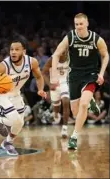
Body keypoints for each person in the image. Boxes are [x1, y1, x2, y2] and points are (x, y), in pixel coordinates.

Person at [51, 13, 109, 150]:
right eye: (76, 24)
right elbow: (56, 54)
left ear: (87, 23)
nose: (78, 27)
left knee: (83, 104)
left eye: (81, 24)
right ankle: (91, 102)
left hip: (90, 75)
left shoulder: (96, 39)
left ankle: (74, 137)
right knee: (76, 113)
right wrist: (54, 75)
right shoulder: (70, 37)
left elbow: (106, 55)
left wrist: (101, 74)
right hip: (74, 76)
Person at [0, 39, 46, 156]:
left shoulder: (32, 62)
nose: (13, 52)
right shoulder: (2, 66)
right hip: (0, 94)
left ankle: (8, 142)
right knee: (15, 120)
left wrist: (40, 89)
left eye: (17, 49)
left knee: (20, 123)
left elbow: (39, 77)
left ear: (24, 51)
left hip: (15, 93)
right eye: (11, 49)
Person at [42, 51, 70, 138]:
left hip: (65, 83)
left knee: (66, 102)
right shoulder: (52, 59)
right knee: (56, 109)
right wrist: (49, 85)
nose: (64, 54)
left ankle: (64, 128)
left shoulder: (71, 57)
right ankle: (55, 114)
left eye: (65, 52)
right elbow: (43, 73)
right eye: (62, 52)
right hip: (54, 84)